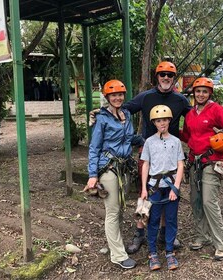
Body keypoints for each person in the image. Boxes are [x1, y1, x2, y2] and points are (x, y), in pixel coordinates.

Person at [122, 61, 191, 254]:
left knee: (167, 192)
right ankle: (139, 233)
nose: (166, 78)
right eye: (163, 74)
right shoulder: (146, 97)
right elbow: (124, 110)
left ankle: (164, 233)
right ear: (157, 77)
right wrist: (104, 113)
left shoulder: (180, 100)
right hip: (148, 150)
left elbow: (195, 117)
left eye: (170, 75)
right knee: (144, 192)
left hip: (171, 153)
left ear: (174, 77)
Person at [180, 77, 223, 261]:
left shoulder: (216, 110)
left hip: (210, 162)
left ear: (210, 94)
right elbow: (188, 136)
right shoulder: (191, 114)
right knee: (195, 200)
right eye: (198, 91)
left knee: (209, 202)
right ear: (193, 93)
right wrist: (167, 129)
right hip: (194, 162)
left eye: (204, 91)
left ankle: (220, 242)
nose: (201, 94)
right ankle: (203, 235)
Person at [83, 79, 137, 269]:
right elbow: (94, 147)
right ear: (107, 97)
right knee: (113, 211)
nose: (117, 98)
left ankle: (115, 244)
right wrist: (92, 174)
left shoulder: (127, 114)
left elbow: (130, 138)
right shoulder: (102, 118)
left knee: (120, 208)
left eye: (120, 94)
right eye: (113, 95)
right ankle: (118, 255)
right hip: (109, 167)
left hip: (124, 167)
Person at [140, 105, 184, 270]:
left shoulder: (176, 141)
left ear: (169, 121)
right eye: (158, 121)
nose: (162, 123)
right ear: (154, 123)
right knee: (153, 220)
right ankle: (152, 253)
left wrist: (176, 188)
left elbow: (180, 164)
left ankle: (169, 252)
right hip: (155, 186)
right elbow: (146, 165)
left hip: (171, 185)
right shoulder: (149, 142)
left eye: (165, 120)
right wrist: (144, 188)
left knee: (171, 220)